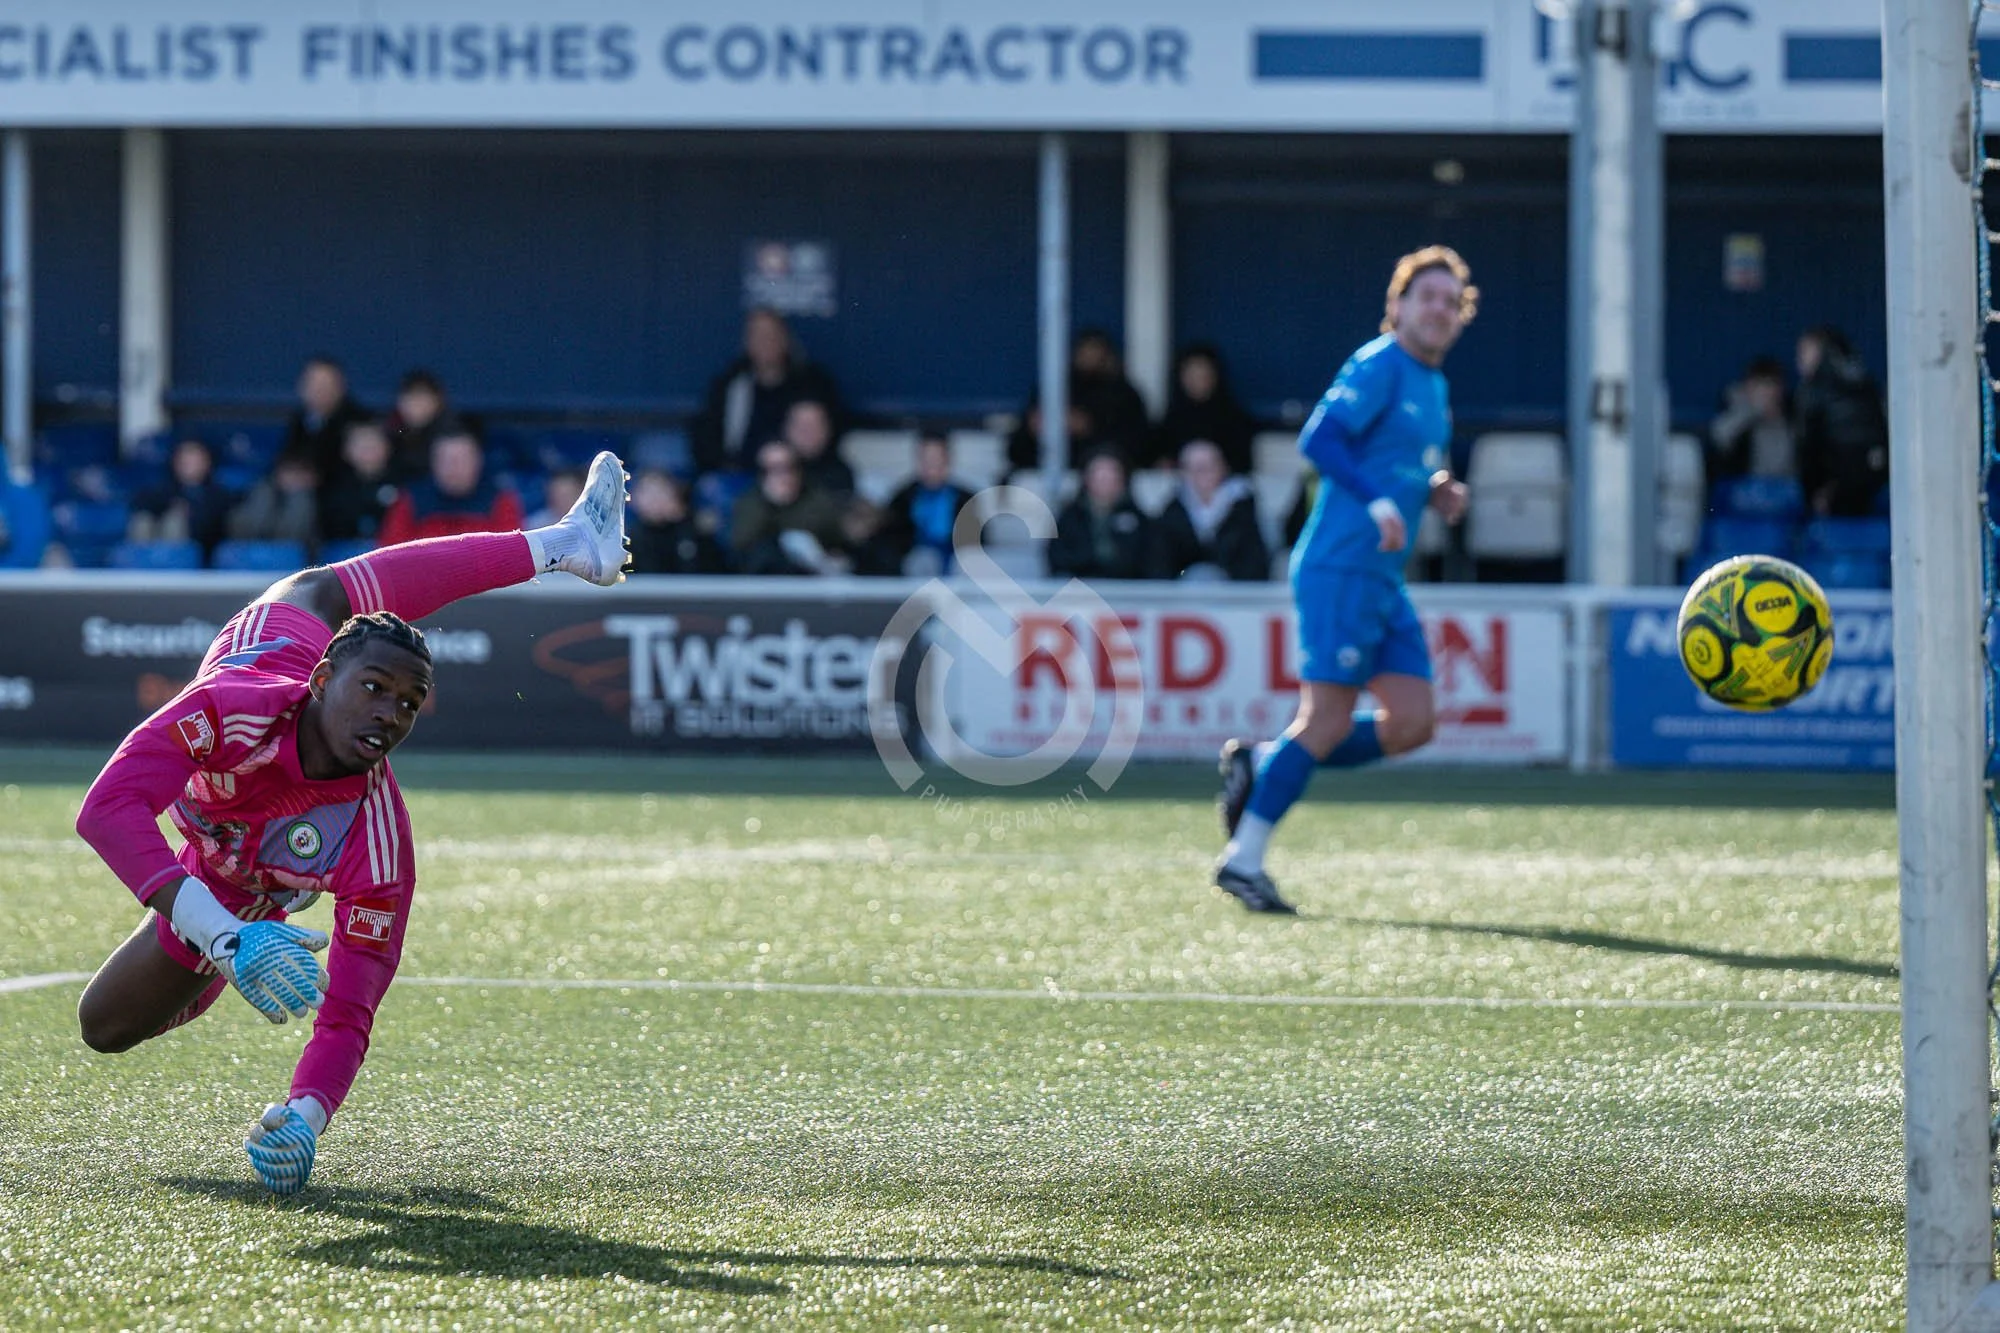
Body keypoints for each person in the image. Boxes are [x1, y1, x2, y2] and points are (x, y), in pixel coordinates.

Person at [72, 452, 631, 1196]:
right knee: (317, 588)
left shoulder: (378, 842)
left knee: (107, 1021)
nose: (387, 713)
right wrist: (225, 939)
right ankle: (562, 544)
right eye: (371, 688)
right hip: (228, 847)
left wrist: (308, 1112)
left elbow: (349, 1010)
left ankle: (567, 543)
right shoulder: (231, 706)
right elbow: (104, 809)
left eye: (407, 702)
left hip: (247, 881)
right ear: (319, 680)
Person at [1213, 246, 1475, 914]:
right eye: (1428, 297)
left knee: (1413, 722)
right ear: (1399, 305)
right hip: (1340, 567)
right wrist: (1380, 502)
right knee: (1325, 720)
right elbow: (1320, 438)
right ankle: (1243, 859)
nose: (1440, 310)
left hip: (1382, 578)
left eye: (1451, 301)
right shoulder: (1379, 362)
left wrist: (1435, 489)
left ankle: (1266, 761)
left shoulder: (1432, 383)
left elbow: (1401, 462)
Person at [691, 309, 842, 476]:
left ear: (786, 339)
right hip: (741, 475)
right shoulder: (730, 383)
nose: (766, 342)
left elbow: (828, 436)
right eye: (758, 335)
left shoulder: (813, 383)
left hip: (798, 476)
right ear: (747, 342)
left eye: (772, 334)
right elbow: (706, 437)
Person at [1006, 331, 1151, 474]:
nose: (1090, 359)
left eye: (1096, 353)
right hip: (1043, 474)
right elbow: (1016, 450)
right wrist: (1034, 429)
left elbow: (1140, 445)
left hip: (1103, 480)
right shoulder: (1052, 392)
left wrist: (1089, 428)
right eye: (1085, 353)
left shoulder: (1124, 396)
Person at [1793, 326, 1889, 516]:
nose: (1799, 360)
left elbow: (1807, 447)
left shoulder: (1813, 390)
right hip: (1875, 482)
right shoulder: (1866, 381)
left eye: (1804, 352)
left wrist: (1814, 491)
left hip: (1835, 490)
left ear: (1823, 350)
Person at [376, 429, 524, 547]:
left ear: (478, 461)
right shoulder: (409, 500)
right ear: (433, 463)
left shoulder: (501, 500)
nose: (454, 467)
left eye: (461, 460)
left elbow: (510, 554)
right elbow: (389, 554)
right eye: (446, 460)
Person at [1151, 439, 1269, 582]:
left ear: (1223, 468)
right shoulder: (1172, 512)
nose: (1201, 475)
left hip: (1234, 595)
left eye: (1207, 467)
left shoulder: (1243, 509)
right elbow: (1161, 564)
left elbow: (1254, 560)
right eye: (1194, 469)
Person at [729, 440, 848, 575]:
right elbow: (741, 544)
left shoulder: (816, 498)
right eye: (774, 469)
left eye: (789, 468)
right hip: (763, 584)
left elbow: (835, 540)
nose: (784, 476)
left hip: (815, 582)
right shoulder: (749, 503)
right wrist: (771, 503)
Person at [1147, 345, 1257, 475]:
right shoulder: (1171, 419)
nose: (1197, 381)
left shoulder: (1234, 419)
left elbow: (1241, 466)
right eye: (1191, 375)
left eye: (1203, 375)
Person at [877, 432, 975, 576]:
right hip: (911, 567)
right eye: (926, 459)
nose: (931, 466)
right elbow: (891, 539)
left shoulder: (967, 500)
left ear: (948, 460)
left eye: (936, 459)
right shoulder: (901, 499)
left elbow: (978, 543)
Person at [1048, 449, 1152, 582]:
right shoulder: (1070, 518)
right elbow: (1058, 559)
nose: (1105, 483)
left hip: (1128, 592)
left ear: (1122, 480)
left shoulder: (1138, 518)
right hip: (1080, 593)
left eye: (1111, 477)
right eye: (1100, 478)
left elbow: (1150, 561)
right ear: (1087, 480)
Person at [130, 437, 236, 562]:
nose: (186, 462)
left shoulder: (219, 494)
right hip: (156, 540)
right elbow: (141, 505)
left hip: (202, 552)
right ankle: (139, 568)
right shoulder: (163, 490)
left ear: (207, 462)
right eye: (183, 458)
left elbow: (217, 528)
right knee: (143, 523)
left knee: (174, 522)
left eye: (193, 458)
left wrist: (190, 514)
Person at [281, 356, 370, 486]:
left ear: (341, 387)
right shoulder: (299, 418)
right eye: (313, 383)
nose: (319, 390)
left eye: (326, 384)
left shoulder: (357, 421)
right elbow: (288, 456)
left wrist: (312, 478)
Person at [1707, 355, 1795, 482]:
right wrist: (1751, 412)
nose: (1766, 393)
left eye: (1770, 385)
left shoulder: (1791, 416)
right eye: (1759, 386)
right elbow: (1718, 438)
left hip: (1784, 491)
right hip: (1742, 492)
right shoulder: (1737, 410)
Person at [318, 419, 401, 548]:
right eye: (361, 445)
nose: (367, 450)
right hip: (342, 555)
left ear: (387, 447)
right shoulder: (333, 487)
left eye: (373, 444)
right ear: (346, 451)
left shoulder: (405, 484)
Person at [627, 469, 725, 575]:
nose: (655, 499)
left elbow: (714, 570)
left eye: (660, 492)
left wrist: (685, 522)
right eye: (648, 492)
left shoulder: (695, 531)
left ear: (674, 495)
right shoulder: (630, 537)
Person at [227, 450, 321, 551]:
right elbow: (241, 529)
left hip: (295, 556)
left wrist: (299, 498)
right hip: (251, 550)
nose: (294, 478)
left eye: (301, 473)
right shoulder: (261, 492)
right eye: (290, 471)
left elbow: (294, 536)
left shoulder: (315, 501)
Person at [382, 369, 456, 481]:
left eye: (422, 398)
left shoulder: (452, 434)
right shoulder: (395, 431)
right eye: (409, 398)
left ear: (438, 401)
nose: (415, 405)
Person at [783, 399, 854, 496]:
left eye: (814, 425)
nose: (806, 432)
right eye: (800, 425)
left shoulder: (840, 475)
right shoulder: (769, 467)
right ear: (786, 430)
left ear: (827, 431)